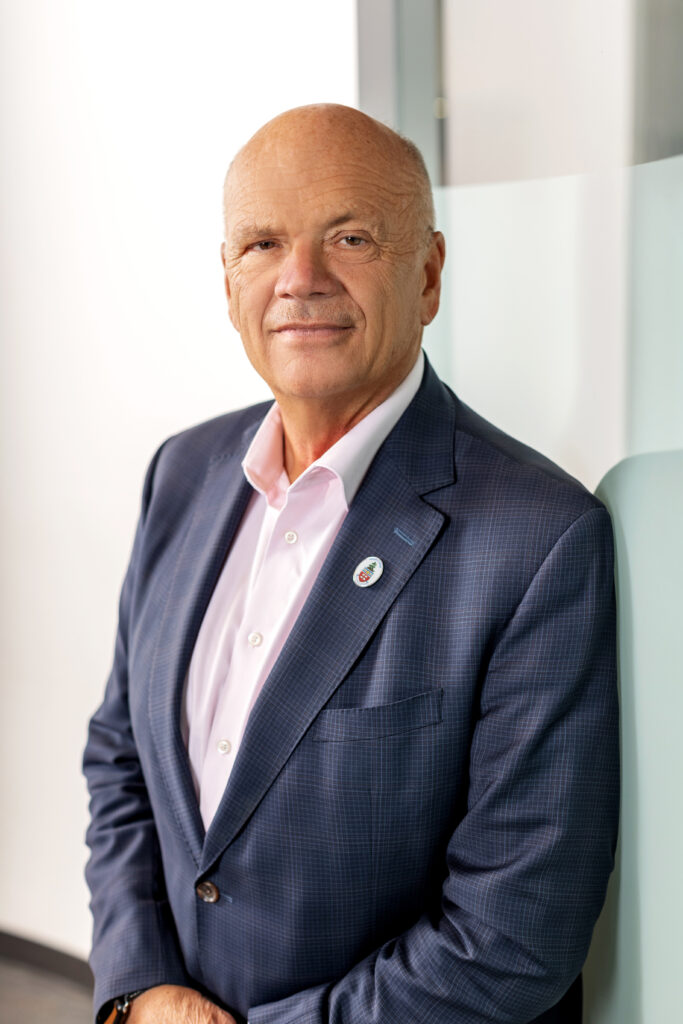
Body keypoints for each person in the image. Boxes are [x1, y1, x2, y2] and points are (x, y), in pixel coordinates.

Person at [83, 104, 619, 1024]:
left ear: (429, 274)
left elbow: (511, 936)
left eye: (350, 236)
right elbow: (122, 758)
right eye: (261, 244)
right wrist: (140, 988)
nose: (299, 279)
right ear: (226, 280)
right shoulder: (181, 472)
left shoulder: (538, 539)